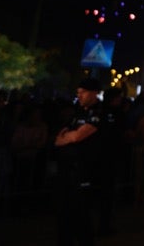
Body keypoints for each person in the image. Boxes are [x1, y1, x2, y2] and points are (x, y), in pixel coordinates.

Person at [53, 77, 106, 246]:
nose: (79, 95)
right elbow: (59, 138)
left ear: (93, 93)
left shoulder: (99, 112)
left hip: (85, 169)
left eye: (83, 92)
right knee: (65, 211)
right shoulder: (78, 112)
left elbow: (76, 136)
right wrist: (67, 138)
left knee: (81, 211)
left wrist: (68, 138)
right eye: (78, 92)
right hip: (69, 169)